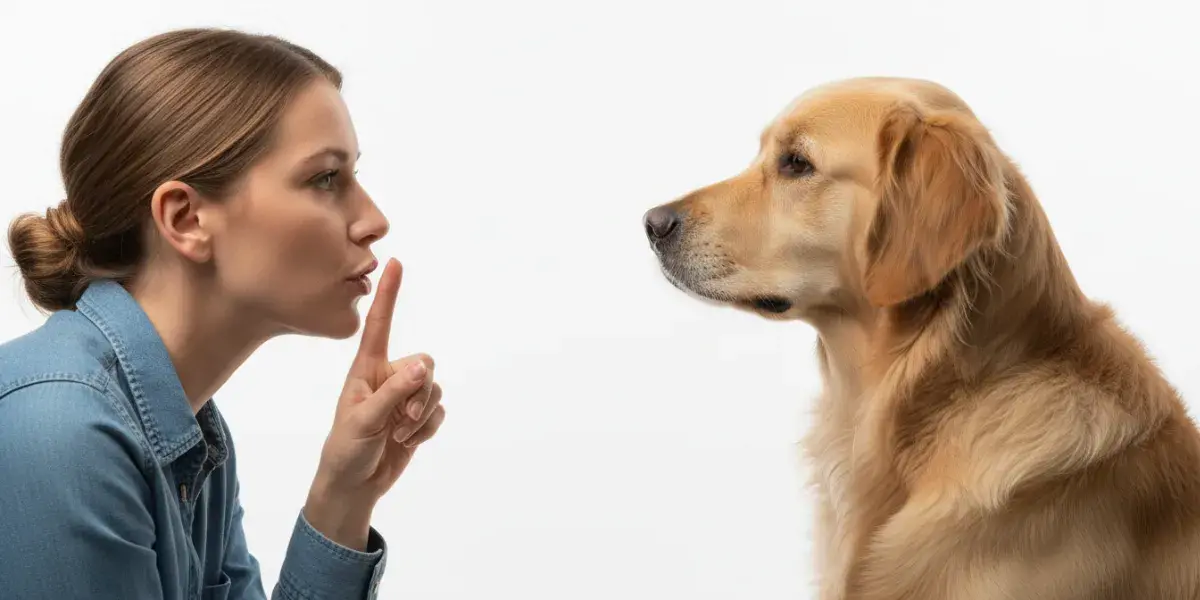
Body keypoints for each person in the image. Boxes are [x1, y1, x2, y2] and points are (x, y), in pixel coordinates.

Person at [0, 28, 446, 599]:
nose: (373, 218)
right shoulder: (61, 432)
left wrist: (343, 498)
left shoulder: (188, 434)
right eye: (326, 178)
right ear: (186, 219)